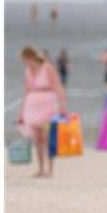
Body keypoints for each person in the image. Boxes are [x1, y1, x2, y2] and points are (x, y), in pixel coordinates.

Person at [16, 45, 68, 178]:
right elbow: (26, 91)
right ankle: (40, 168)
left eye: (26, 59)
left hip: (48, 104)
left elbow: (58, 87)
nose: (25, 63)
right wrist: (21, 113)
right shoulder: (27, 70)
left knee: (47, 137)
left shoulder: (47, 68)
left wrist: (63, 108)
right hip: (32, 106)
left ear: (32, 57)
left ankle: (50, 170)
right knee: (37, 139)